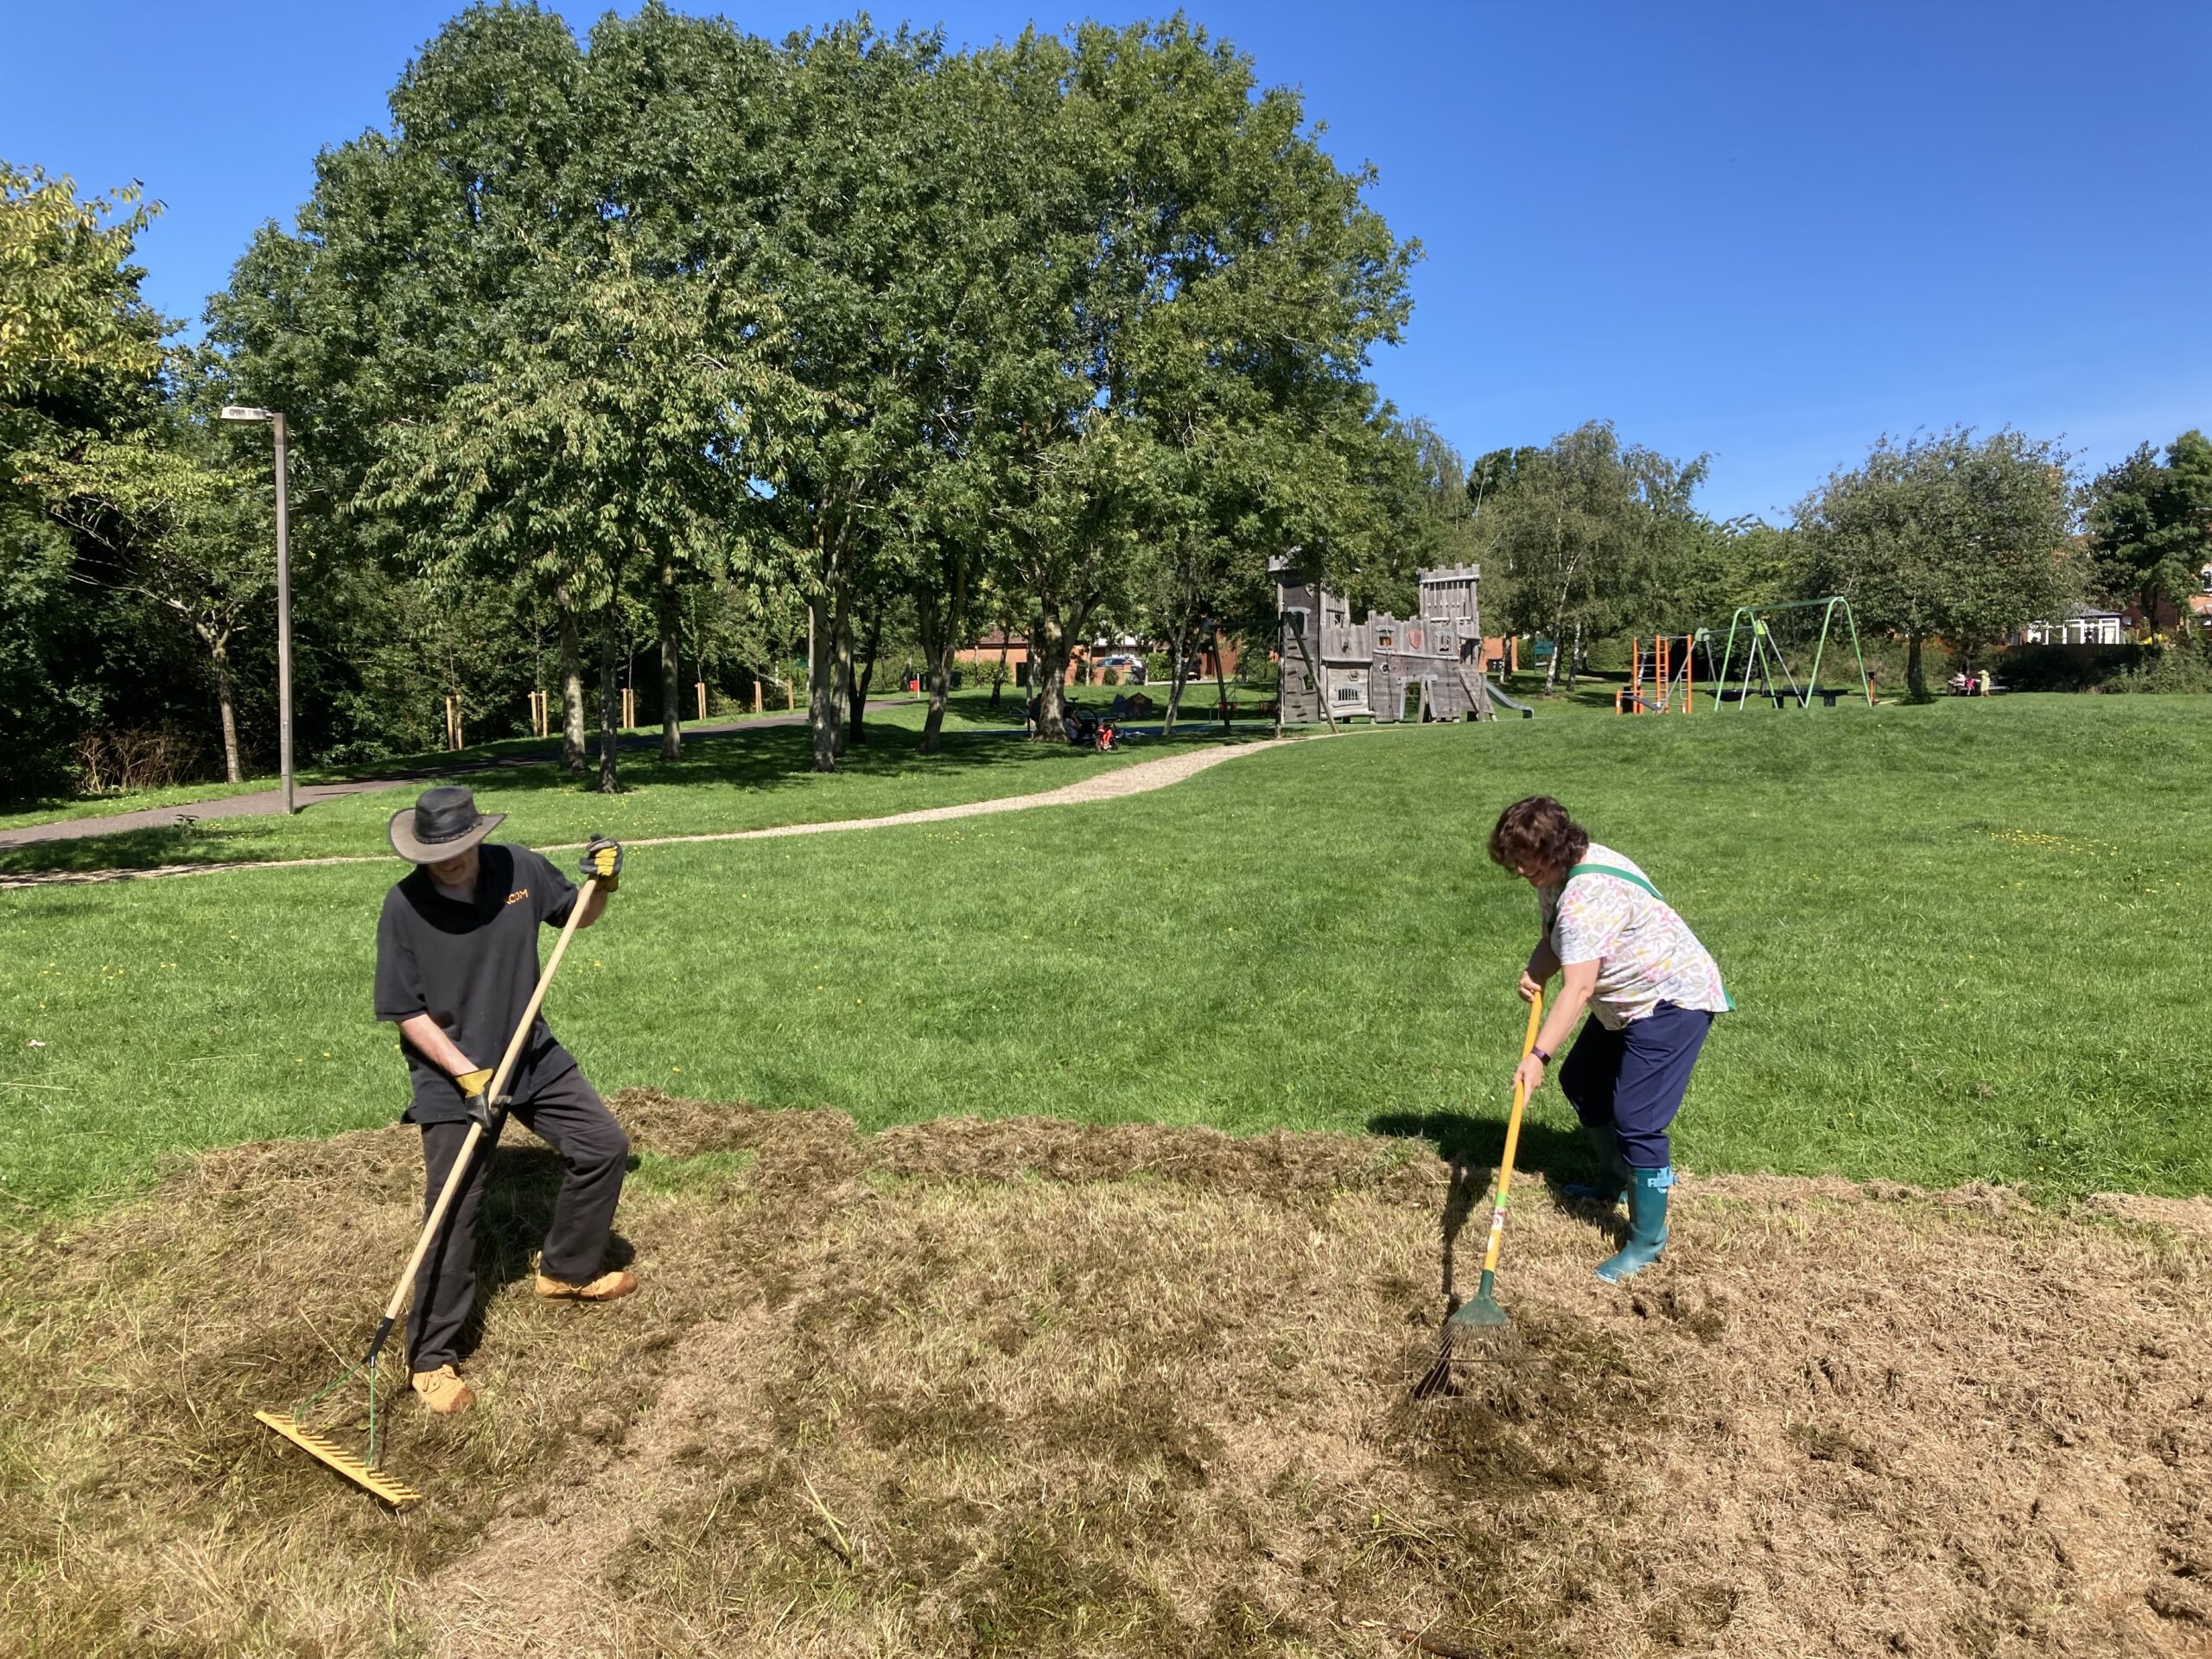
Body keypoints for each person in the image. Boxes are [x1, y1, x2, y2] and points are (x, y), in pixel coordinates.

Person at [373, 785, 636, 1414]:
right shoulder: (404, 907)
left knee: (603, 1145)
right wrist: (468, 1078)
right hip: (451, 1072)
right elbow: (406, 1012)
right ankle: (430, 1358)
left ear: (477, 837)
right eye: (439, 853)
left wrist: (604, 883)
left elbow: (578, 915)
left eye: (462, 848)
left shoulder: (519, 867)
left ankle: (565, 1271)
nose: (452, 862)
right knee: (454, 1208)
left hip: (529, 1050)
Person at [1488, 796, 1731, 1283]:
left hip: (1670, 1001)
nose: (1518, 870)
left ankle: (1647, 1240)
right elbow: (1556, 941)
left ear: (1555, 849)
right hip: (1626, 1001)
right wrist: (1536, 970)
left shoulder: (1586, 896)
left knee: (1637, 1118)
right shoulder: (1555, 879)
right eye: (1511, 859)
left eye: (1525, 860)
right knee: (1583, 1081)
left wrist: (1538, 1055)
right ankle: (1616, 1178)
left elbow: (1578, 988)